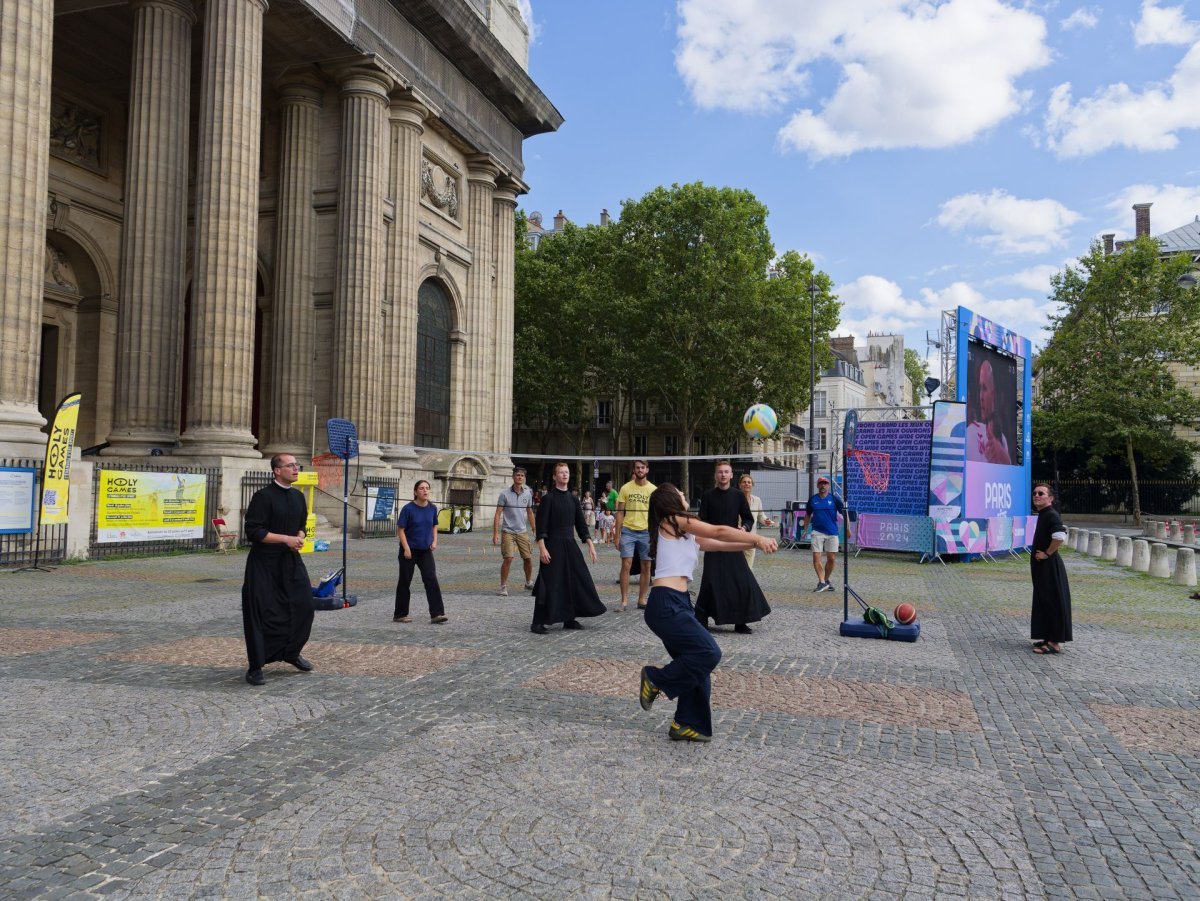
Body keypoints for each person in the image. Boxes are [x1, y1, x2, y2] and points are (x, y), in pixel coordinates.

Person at [638, 484, 778, 742]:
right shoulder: (673, 520)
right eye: (680, 492)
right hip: (665, 605)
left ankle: (688, 724)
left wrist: (751, 545)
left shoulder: (683, 531)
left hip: (678, 603)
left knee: (697, 667)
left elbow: (717, 543)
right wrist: (757, 538)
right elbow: (719, 530)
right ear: (671, 500)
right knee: (708, 652)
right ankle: (656, 679)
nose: (684, 494)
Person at [240, 454, 315, 686]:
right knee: (261, 611)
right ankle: (255, 666)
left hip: (290, 561)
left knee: (303, 605)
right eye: (290, 465)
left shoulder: (298, 496)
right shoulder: (263, 497)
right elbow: (254, 531)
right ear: (276, 470)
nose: (295, 468)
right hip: (264, 563)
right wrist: (286, 539)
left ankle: (291, 652)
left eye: (296, 465)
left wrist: (300, 536)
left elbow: (301, 525)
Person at [694, 460, 770, 634]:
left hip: (734, 544)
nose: (723, 475)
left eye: (726, 472)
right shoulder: (707, 496)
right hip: (714, 545)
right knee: (710, 582)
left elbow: (748, 518)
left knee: (742, 581)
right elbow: (702, 520)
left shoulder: (738, 496)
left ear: (730, 475)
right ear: (715, 475)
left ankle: (741, 621)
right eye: (720, 472)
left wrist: (743, 529)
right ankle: (702, 619)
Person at [530, 462, 606, 633]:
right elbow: (541, 527)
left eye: (567, 472)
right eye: (561, 472)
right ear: (555, 476)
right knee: (549, 582)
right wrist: (542, 548)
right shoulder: (548, 499)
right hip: (553, 545)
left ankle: (569, 618)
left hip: (570, 545)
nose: (565, 475)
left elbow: (581, 525)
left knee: (575, 579)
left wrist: (590, 544)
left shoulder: (573, 499)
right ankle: (537, 622)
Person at [395, 480, 447, 625]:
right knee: (405, 581)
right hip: (409, 550)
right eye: (421, 488)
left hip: (425, 551)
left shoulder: (432, 508)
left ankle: (437, 613)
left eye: (427, 488)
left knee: (431, 579)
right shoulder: (408, 509)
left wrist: (435, 541)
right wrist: (406, 548)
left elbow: (434, 526)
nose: (425, 491)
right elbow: (401, 530)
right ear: (415, 492)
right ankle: (400, 614)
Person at [1030, 483, 1072, 654]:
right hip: (1042, 566)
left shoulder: (1051, 515)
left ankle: (1054, 643)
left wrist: (1047, 554)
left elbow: (1060, 536)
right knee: (1043, 599)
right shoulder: (1043, 514)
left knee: (1052, 600)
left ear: (1051, 498)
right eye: (1034, 493)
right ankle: (1047, 637)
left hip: (1049, 565)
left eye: (1041, 493)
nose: (1037, 495)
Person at [615, 460, 656, 612]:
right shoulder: (625, 488)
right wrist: (617, 535)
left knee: (647, 565)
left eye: (642, 467)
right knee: (626, 564)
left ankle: (642, 600)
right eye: (637, 468)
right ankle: (624, 600)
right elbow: (619, 513)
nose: (640, 470)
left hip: (646, 532)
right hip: (628, 531)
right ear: (634, 470)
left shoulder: (653, 489)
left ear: (647, 469)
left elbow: (656, 514)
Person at [492, 467, 536, 597]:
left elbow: (529, 512)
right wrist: (495, 533)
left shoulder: (528, 493)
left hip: (522, 531)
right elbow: (498, 513)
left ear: (524, 478)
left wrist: (534, 529)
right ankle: (503, 586)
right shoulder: (504, 494)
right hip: (508, 531)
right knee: (508, 558)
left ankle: (528, 582)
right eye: (518, 475)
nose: (520, 477)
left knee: (528, 558)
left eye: (522, 475)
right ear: (513, 477)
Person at [802, 476, 850, 592]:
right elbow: (808, 515)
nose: (823, 485)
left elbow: (845, 513)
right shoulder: (813, 500)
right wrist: (805, 529)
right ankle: (822, 582)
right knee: (816, 557)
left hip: (832, 532)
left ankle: (825, 580)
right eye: (821, 483)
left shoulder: (834, 499)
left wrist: (847, 528)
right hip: (817, 532)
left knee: (831, 559)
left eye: (825, 483)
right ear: (818, 486)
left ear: (828, 486)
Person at [967, 358, 1010, 463]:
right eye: (980, 389)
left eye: (984, 388)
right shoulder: (970, 432)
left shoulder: (1003, 440)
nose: (981, 396)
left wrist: (1005, 460)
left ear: (994, 395)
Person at [738, 473, 775, 568]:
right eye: (744, 482)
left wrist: (767, 521)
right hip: (736, 538)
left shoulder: (757, 500)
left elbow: (760, 516)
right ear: (740, 485)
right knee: (735, 568)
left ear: (752, 485)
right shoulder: (734, 499)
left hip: (751, 539)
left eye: (749, 482)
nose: (747, 484)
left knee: (748, 569)